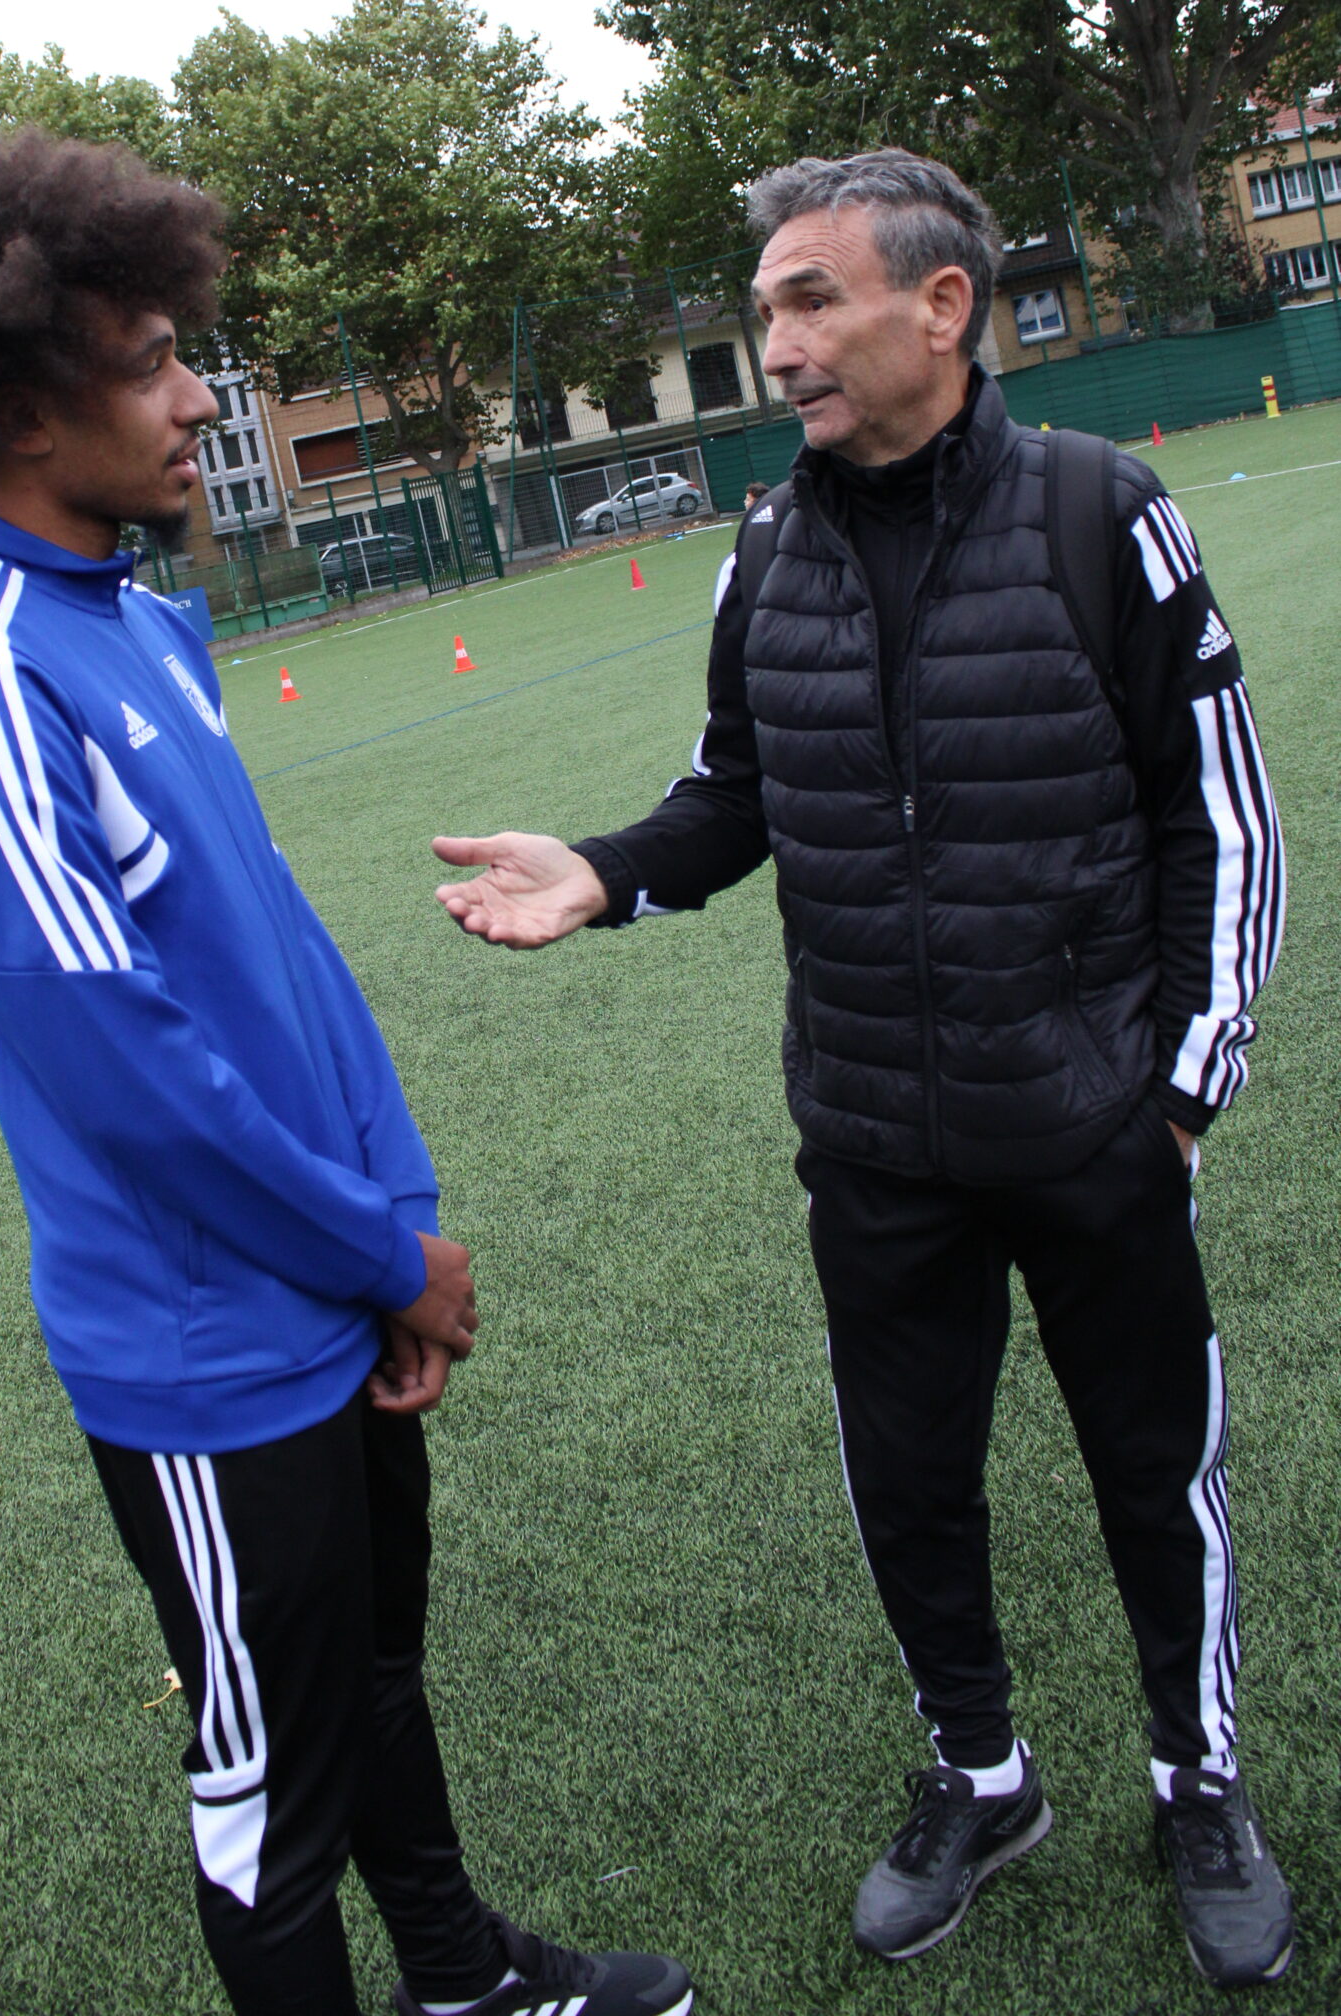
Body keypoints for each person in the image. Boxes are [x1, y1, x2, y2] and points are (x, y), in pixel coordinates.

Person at [0, 126, 692, 2016]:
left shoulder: (138, 622)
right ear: (20, 408)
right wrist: (383, 1259)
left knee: (377, 1677)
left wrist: (396, 1226)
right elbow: (124, 1074)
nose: (198, 396)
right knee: (265, 1791)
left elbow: (281, 970)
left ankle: (460, 1980)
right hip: (205, 1354)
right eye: (151, 362)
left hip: (324, 1283)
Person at [433, 148, 1293, 1990]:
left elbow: (1219, 816)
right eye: (767, 312)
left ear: (942, 305)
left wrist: (1177, 1095)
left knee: (1155, 1473)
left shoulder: (1101, 510)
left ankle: (1197, 1780)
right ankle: (980, 1777)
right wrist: (604, 872)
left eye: (810, 301)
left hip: (1090, 1122)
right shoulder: (765, 548)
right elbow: (734, 791)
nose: (778, 347)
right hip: (873, 1137)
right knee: (907, 1482)